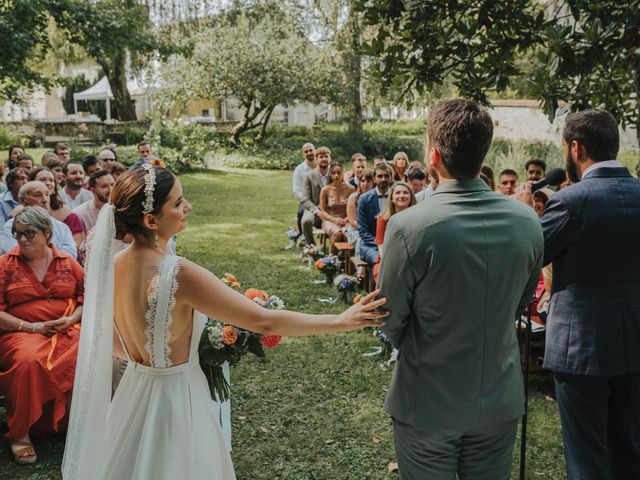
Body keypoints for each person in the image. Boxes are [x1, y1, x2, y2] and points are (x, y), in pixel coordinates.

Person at [61, 165, 388, 480]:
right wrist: (342, 320)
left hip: (133, 395)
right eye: (177, 203)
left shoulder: (112, 264)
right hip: (177, 397)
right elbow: (264, 321)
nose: (187, 206)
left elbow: (113, 342)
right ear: (150, 220)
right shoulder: (178, 272)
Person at [378, 99, 543, 480]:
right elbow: (522, 299)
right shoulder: (527, 221)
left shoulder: (408, 226)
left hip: (427, 401)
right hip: (499, 396)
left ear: (432, 155)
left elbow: (389, 320)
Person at [537, 110, 640, 479]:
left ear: (575, 148)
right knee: (630, 450)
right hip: (634, 344)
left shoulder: (570, 202)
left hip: (581, 350)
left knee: (587, 458)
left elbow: (532, 254)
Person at [0, 206, 84, 464]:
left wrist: (70, 319)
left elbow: (85, 298)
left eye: (29, 233)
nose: (22, 239)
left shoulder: (67, 263)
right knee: (28, 361)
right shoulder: (5, 265)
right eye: (17, 234)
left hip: (66, 329)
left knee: (91, 352)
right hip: (20, 331)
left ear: (47, 233)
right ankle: (20, 433)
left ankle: (74, 423)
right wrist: (32, 327)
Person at [1, 181, 77, 258]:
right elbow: (15, 256)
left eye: (47, 195)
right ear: (23, 200)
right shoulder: (10, 227)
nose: (45, 200)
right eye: (38, 195)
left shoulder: (62, 227)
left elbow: (70, 256)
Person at [30, 167, 84, 249]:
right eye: (42, 179)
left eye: (51, 180)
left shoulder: (67, 214)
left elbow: (77, 242)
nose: (47, 183)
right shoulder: (18, 213)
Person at [373, 181, 415, 282]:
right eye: (398, 193)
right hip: (387, 260)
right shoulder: (383, 219)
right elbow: (381, 248)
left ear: (411, 197)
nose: (402, 195)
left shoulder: (417, 218)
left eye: (405, 192)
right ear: (391, 198)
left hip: (412, 259)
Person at [357, 163, 391, 266]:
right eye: (380, 176)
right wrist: (380, 244)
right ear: (374, 179)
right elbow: (363, 230)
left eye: (386, 176)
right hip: (370, 245)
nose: (383, 179)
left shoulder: (396, 197)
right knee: (380, 262)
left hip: (393, 243)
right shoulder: (364, 199)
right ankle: (376, 282)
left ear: (390, 178)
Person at [319, 164, 355, 252]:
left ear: (343, 173)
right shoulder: (325, 190)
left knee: (348, 233)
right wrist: (335, 220)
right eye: (333, 173)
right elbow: (323, 211)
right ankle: (332, 259)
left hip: (347, 219)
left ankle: (347, 259)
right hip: (330, 220)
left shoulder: (351, 189)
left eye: (339, 173)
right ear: (330, 175)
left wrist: (346, 219)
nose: (336, 176)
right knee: (338, 233)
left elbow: (354, 208)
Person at [301, 146, 331, 246]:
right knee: (306, 221)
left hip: (331, 209)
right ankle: (311, 247)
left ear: (330, 158)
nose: (324, 159)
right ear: (316, 159)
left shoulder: (334, 174)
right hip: (315, 209)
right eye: (321, 157)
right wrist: (318, 212)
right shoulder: (309, 176)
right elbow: (306, 199)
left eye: (326, 156)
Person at [73, 170, 115, 234]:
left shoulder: (123, 208)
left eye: (113, 185)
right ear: (92, 190)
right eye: (104, 186)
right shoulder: (79, 213)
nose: (111, 190)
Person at [346, 169, 374, 257]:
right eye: (363, 181)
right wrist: (367, 227)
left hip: (372, 230)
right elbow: (352, 222)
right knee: (361, 241)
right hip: (356, 231)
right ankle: (360, 268)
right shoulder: (353, 197)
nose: (365, 184)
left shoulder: (376, 197)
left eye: (369, 181)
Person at [292, 143, 316, 237]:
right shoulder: (299, 169)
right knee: (301, 212)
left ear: (315, 150)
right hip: (306, 199)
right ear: (303, 154)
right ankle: (302, 235)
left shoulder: (322, 165)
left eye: (311, 150)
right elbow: (297, 191)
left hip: (322, 198)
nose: (309, 153)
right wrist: (306, 201)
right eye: (306, 151)